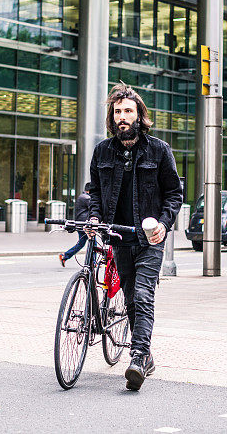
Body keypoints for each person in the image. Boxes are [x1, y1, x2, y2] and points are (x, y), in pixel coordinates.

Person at [87, 83, 183, 391]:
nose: (122, 117)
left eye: (128, 111)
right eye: (118, 112)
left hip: (150, 240)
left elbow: (174, 193)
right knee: (130, 299)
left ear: (139, 115)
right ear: (112, 117)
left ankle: (138, 357)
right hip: (119, 238)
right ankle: (147, 355)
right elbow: (97, 193)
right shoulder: (102, 151)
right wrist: (93, 218)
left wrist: (165, 225)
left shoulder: (158, 150)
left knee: (143, 296)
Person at [58, 183, 92, 267]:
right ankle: (93, 262)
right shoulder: (86, 198)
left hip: (80, 224)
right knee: (92, 243)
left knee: (81, 243)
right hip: (84, 224)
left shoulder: (82, 196)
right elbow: (93, 208)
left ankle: (65, 256)